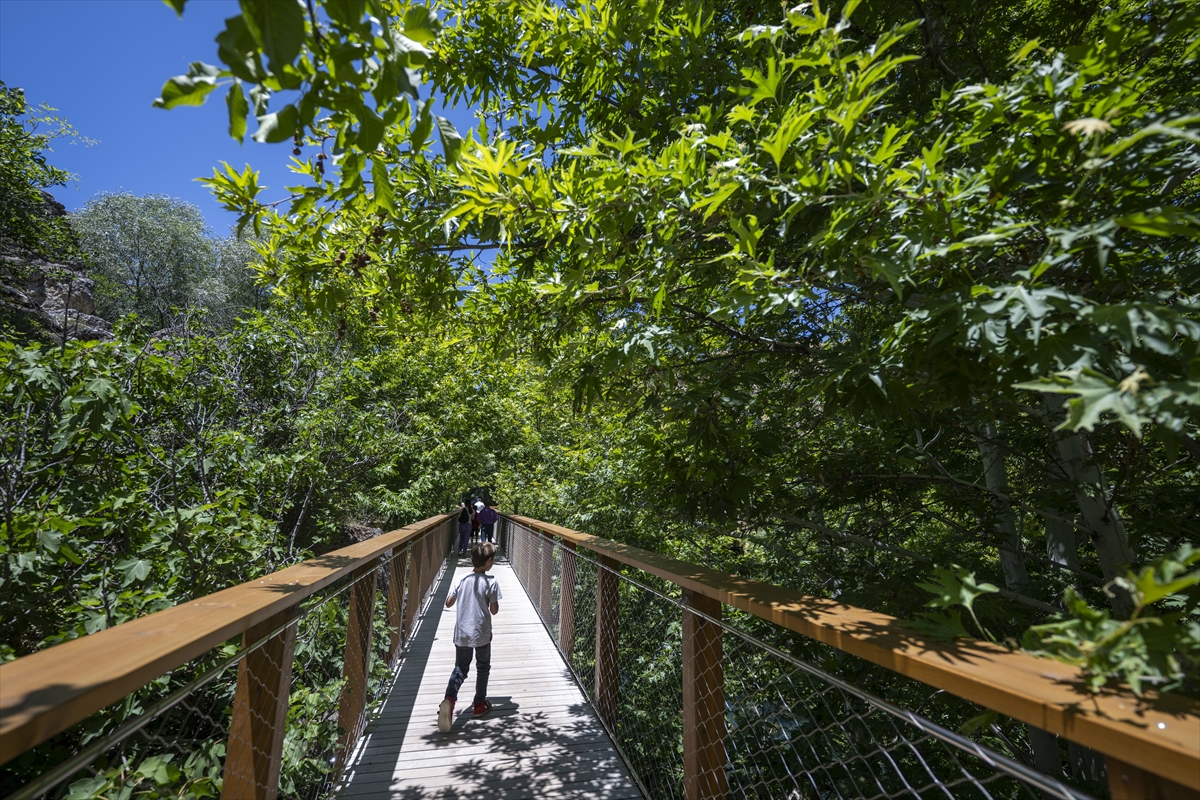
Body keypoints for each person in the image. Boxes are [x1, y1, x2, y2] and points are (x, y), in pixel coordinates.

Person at [438, 542, 502, 732]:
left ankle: (449, 698)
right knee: (482, 667)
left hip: (462, 633)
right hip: (481, 633)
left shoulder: (461, 578)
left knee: (460, 668)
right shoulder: (491, 582)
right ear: (488, 562)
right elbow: (494, 610)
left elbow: (449, 603)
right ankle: (479, 704)